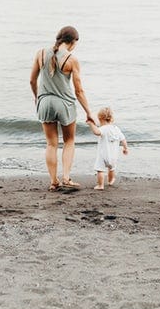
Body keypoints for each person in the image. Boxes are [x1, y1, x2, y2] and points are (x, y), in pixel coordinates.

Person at [30, 26, 95, 191]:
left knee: (51, 144)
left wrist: (38, 98)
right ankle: (66, 177)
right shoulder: (71, 59)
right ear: (73, 42)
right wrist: (89, 112)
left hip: (45, 102)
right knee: (69, 141)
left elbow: (32, 81)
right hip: (64, 103)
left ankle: (53, 181)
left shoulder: (41, 53)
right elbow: (79, 90)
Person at [86, 107, 128, 190]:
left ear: (100, 119)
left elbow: (97, 132)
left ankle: (100, 185)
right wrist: (125, 148)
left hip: (103, 155)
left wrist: (91, 124)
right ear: (111, 119)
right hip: (113, 156)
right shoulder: (116, 129)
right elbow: (123, 139)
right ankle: (110, 180)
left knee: (100, 170)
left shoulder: (103, 129)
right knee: (111, 169)